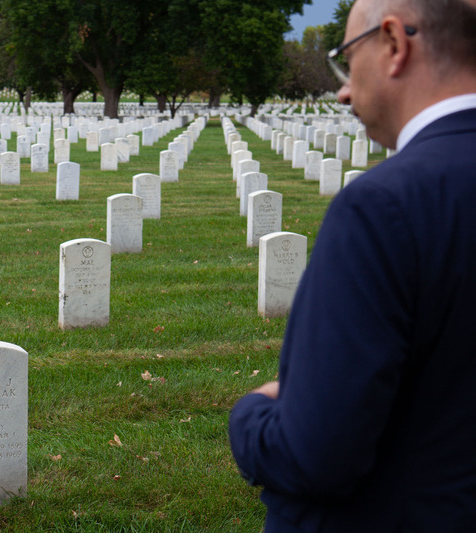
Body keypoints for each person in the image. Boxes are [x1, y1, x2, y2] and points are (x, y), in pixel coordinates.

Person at [227, 0, 476, 531]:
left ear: (394, 43)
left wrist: (252, 414)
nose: (342, 90)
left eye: (346, 57)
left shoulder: (384, 207)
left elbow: (314, 454)